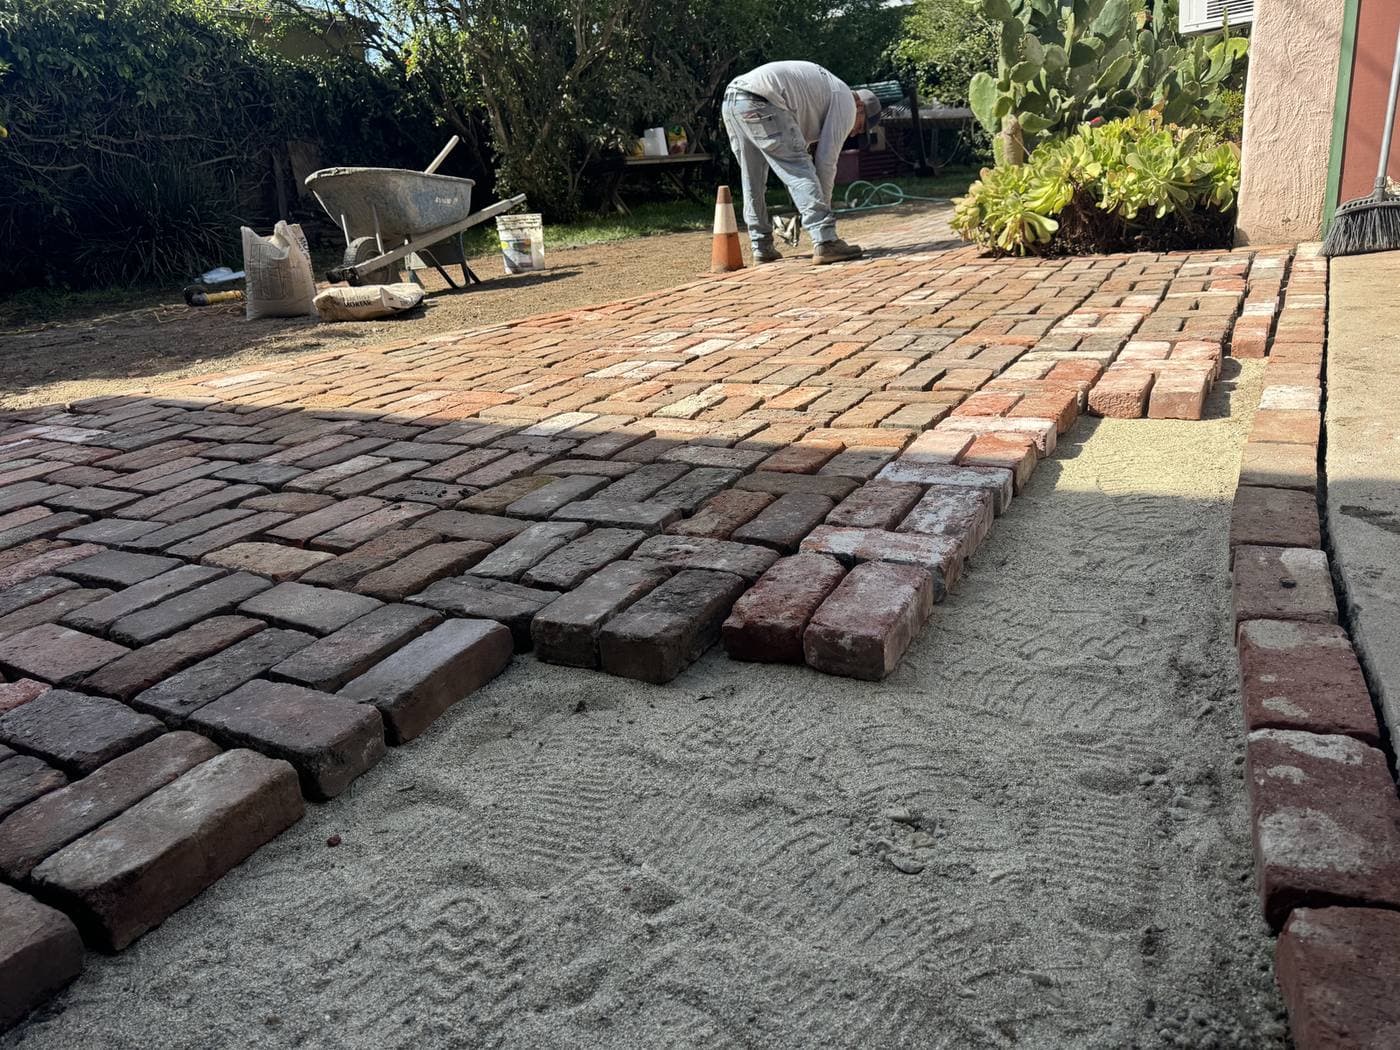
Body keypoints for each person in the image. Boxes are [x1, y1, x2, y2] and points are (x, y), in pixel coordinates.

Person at [721, 60, 881, 265]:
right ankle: (826, 240)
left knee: (752, 177)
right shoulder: (847, 102)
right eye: (861, 126)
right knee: (798, 168)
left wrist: (804, 208)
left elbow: (794, 167)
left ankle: (761, 246)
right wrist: (822, 210)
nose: (855, 132)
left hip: (733, 100)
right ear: (859, 106)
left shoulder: (823, 93)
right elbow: (824, 163)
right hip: (763, 99)